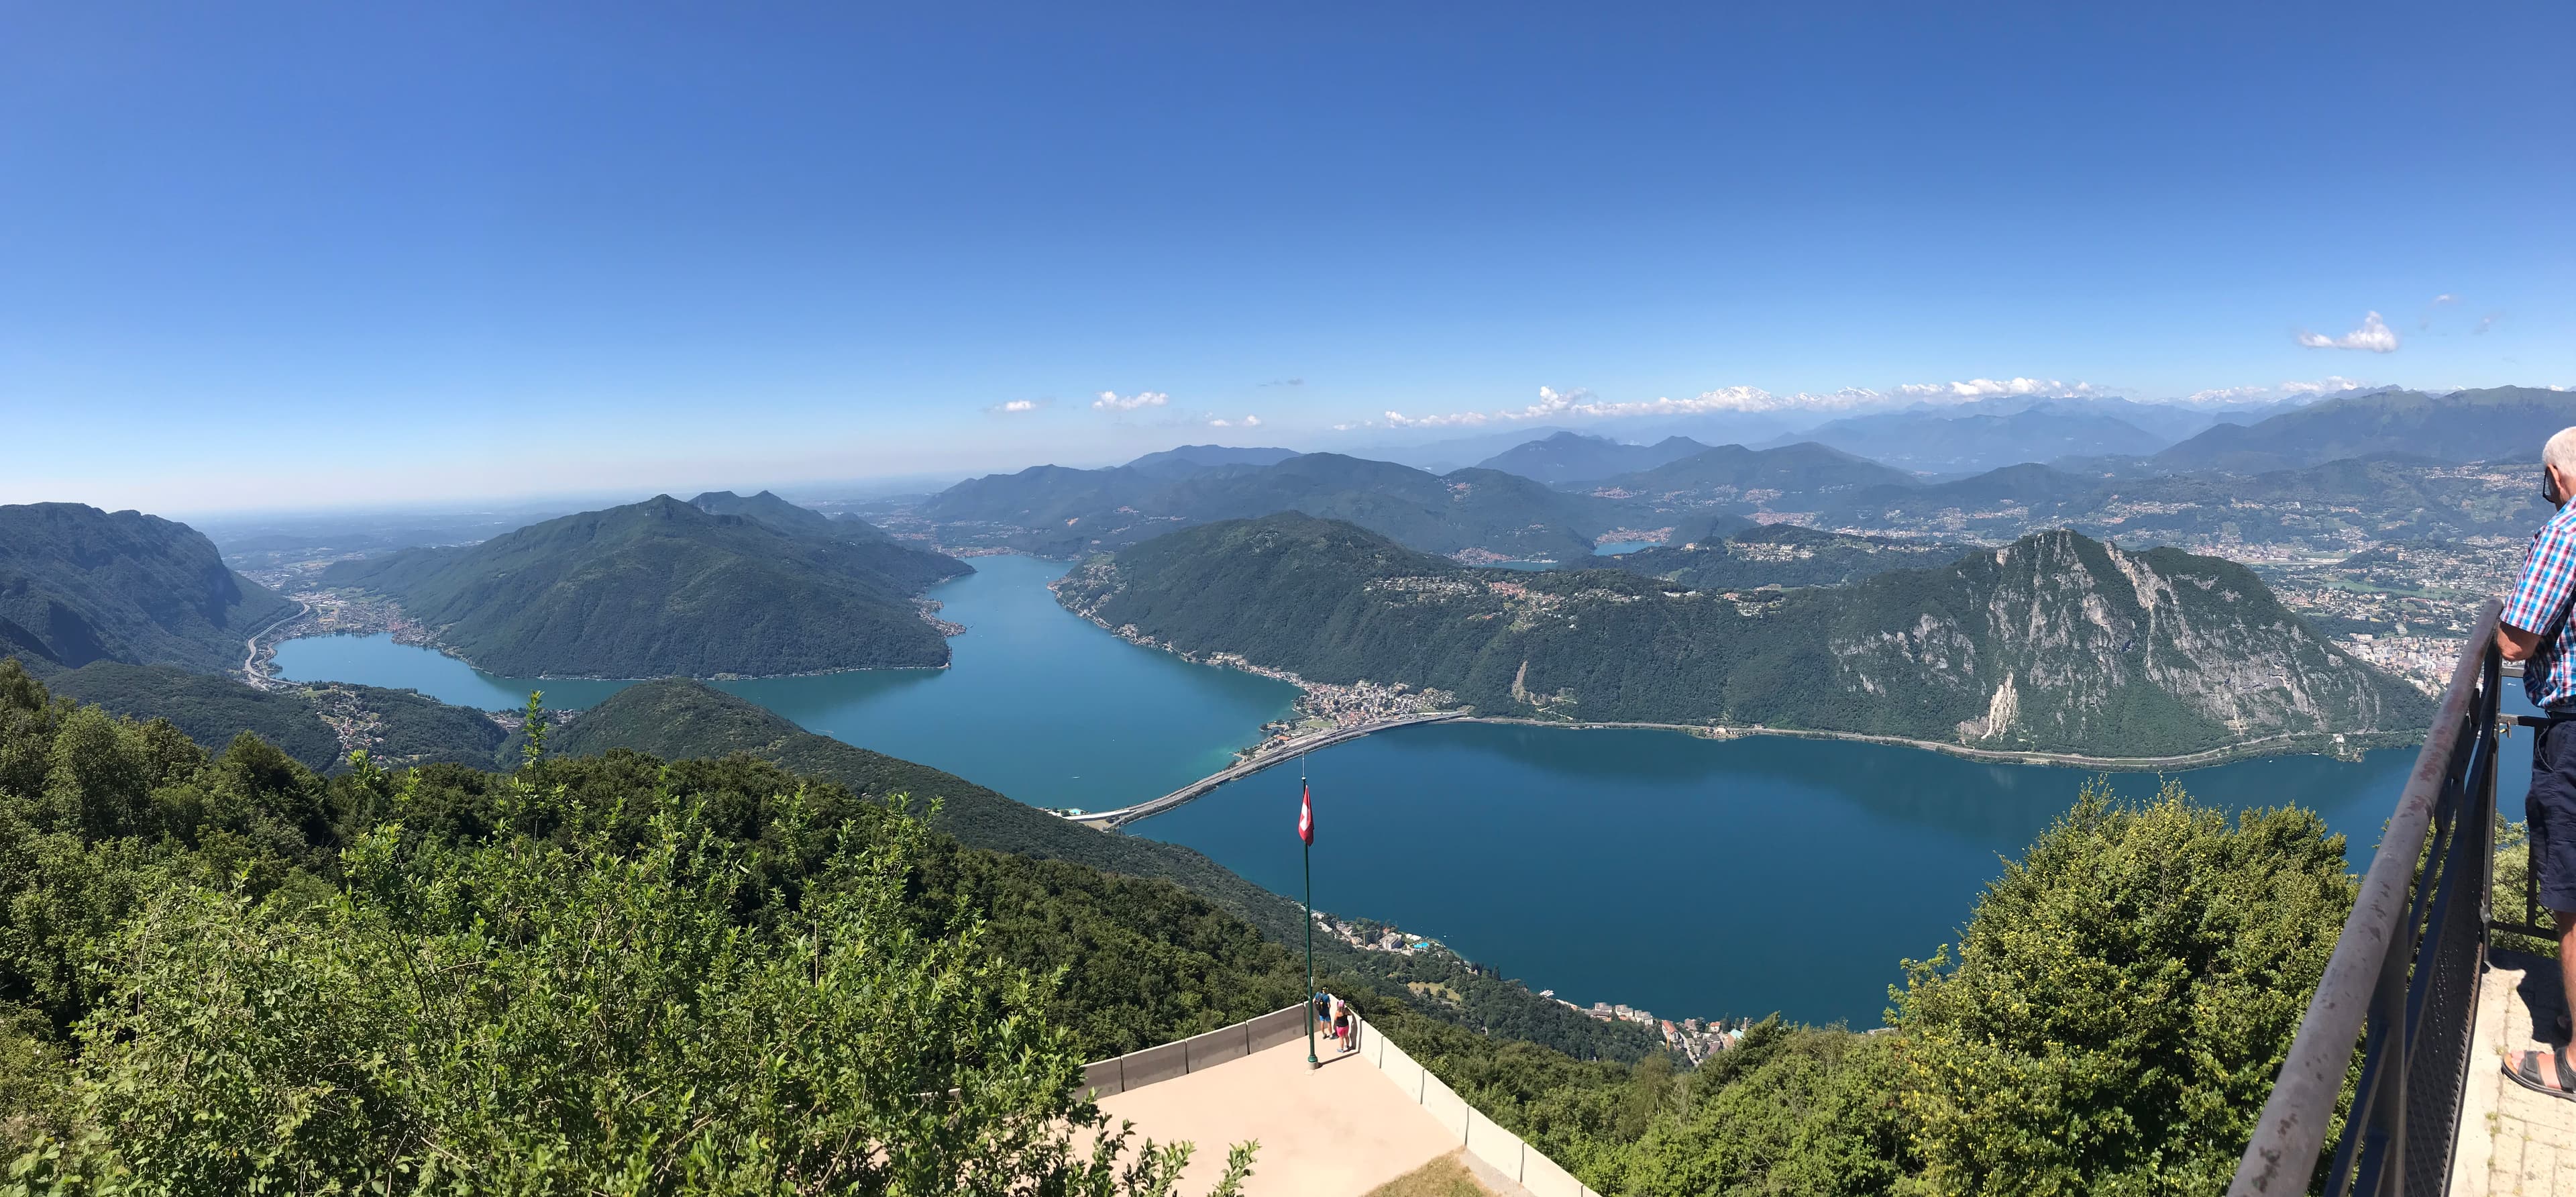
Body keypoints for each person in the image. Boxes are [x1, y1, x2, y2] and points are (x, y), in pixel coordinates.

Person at [2501, 427, 2576, 1100]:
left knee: (2574, 898)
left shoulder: (2566, 530)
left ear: (2556, 474)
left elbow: (2517, 637)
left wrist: (2496, 631)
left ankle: (2575, 1060)